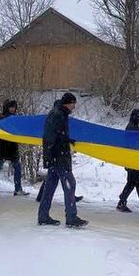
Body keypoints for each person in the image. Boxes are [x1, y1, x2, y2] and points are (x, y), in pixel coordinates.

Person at [37, 93, 88, 228]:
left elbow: (57, 134)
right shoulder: (58, 115)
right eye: (73, 103)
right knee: (70, 184)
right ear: (67, 103)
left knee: (50, 186)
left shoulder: (59, 113)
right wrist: (56, 152)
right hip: (58, 156)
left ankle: (43, 216)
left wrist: (66, 140)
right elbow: (50, 137)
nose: (74, 106)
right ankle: (71, 217)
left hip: (55, 156)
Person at [0, 100, 28, 197]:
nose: (13, 109)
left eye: (14, 107)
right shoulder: (0, 118)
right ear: (6, 107)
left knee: (17, 168)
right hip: (3, 147)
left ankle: (18, 189)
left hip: (13, 147)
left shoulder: (16, 118)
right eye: (11, 107)